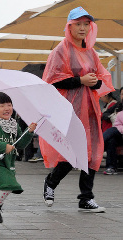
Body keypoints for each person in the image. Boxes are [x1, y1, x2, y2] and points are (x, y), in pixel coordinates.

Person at [39, 7, 114, 212]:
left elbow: (100, 81)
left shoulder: (91, 52)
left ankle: (86, 198)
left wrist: (93, 82)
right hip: (68, 109)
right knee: (71, 152)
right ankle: (51, 182)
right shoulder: (60, 51)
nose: (82, 28)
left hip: (90, 109)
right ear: (69, 26)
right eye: (78, 24)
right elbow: (52, 81)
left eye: (86, 24)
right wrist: (80, 80)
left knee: (93, 152)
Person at [0, 92, 37, 229]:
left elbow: (20, 144)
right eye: (2, 105)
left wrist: (28, 133)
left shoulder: (13, 124)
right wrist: (4, 147)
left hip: (7, 163)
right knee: (8, 185)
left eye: (9, 105)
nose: (7, 108)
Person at [103, 88, 123, 175]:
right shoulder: (119, 105)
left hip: (118, 130)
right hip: (119, 133)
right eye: (122, 94)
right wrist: (111, 116)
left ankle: (98, 146)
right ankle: (111, 167)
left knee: (112, 131)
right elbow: (105, 114)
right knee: (112, 140)